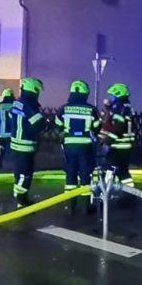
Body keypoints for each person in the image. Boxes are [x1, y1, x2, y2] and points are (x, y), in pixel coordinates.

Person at [54, 80, 99, 209]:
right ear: (86, 94)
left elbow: (57, 126)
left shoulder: (63, 109)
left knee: (71, 174)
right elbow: (97, 127)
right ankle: (86, 206)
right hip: (86, 146)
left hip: (69, 146)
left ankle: (70, 205)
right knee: (85, 174)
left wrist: (62, 134)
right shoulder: (92, 109)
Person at [8, 77, 46, 204]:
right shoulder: (31, 106)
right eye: (38, 91)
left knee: (19, 173)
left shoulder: (17, 102)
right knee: (26, 174)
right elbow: (38, 125)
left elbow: (11, 116)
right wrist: (45, 123)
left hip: (16, 144)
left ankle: (18, 197)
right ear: (34, 90)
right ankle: (21, 199)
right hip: (25, 145)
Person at [98, 83, 137, 186]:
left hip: (117, 145)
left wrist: (108, 139)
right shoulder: (127, 107)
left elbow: (118, 126)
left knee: (108, 168)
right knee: (123, 171)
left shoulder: (119, 107)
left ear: (117, 95)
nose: (110, 98)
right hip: (126, 145)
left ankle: (106, 189)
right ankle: (130, 191)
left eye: (112, 96)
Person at [0, 88, 17, 171]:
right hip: (14, 131)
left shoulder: (0, 105)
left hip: (2, 131)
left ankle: (0, 157)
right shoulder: (16, 105)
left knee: (1, 144)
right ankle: (15, 162)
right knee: (14, 146)